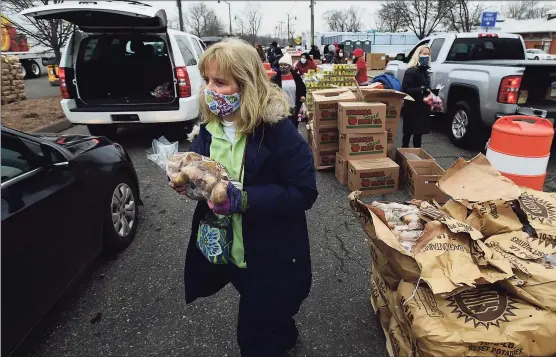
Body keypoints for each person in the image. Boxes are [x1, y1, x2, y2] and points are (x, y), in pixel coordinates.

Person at [169, 38, 318, 357]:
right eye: (207, 80)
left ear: (246, 84)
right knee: (261, 307)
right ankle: (283, 327)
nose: (209, 89)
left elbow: (304, 191)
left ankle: (272, 330)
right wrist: (188, 182)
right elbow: (200, 170)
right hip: (227, 246)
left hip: (268, 252)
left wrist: (245, 199)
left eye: (220, 82)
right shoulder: (211, 127)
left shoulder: (277, 130)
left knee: (253, 337)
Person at [400, 45, 433, 148]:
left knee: (418, 135)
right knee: (408, 134)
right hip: (412, 107)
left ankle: (416, 157)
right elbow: (405, 90)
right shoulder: (411, 71)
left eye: (428, 54)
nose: (426, 56)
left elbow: (426, 87)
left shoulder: (426, 72)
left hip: (422, 107)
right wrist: (421, 90)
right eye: (424, 54)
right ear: (418, 55)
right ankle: (403, 155)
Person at [271, 53, 307, 128]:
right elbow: (271, 92)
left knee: (293, 126)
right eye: (281, 65)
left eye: (285, 65)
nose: (282, 67)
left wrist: (303, 96)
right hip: (281, 109)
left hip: (294, 107)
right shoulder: (275, 79)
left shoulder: (296, 77)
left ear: (290, 66)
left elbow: (302, 88)